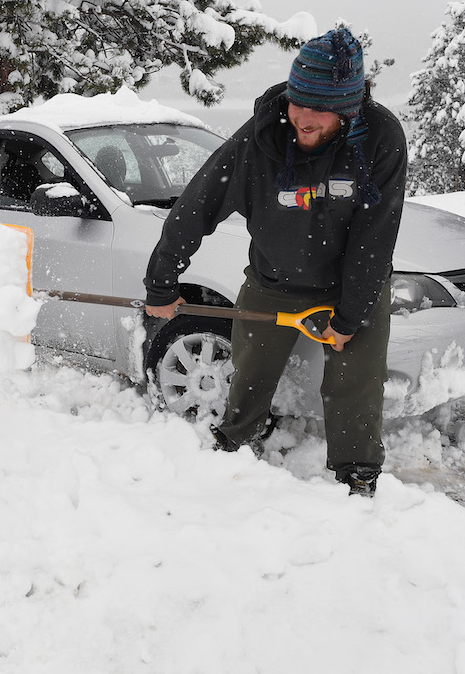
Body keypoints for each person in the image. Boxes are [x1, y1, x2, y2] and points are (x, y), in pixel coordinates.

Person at [143, 28, 407, 497]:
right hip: (273, 280)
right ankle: (235, 442)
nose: (304, 118)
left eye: (320, 109)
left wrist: (349, 317)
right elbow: (199, 204)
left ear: (347, 109)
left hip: (352, 284)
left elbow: (376, 236)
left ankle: (357, 472)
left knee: (356, 385)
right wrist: (162, 282)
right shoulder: (260, 140)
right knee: (250, 372)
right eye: (298, 102)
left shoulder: (379, 139)